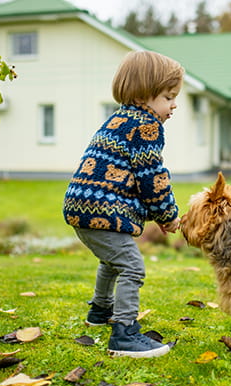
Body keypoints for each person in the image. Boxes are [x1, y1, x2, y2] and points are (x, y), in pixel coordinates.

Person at [63, 51, 182, 358]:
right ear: (145, 95)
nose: (174, 105)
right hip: (103, 209)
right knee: (132, 266)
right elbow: (152, 176)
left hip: (82, 208)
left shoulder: (118, 119)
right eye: (168, 97)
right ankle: (125, 333)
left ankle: (100, 311)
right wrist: (167, 215)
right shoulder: (147, 127)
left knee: (112, 260)